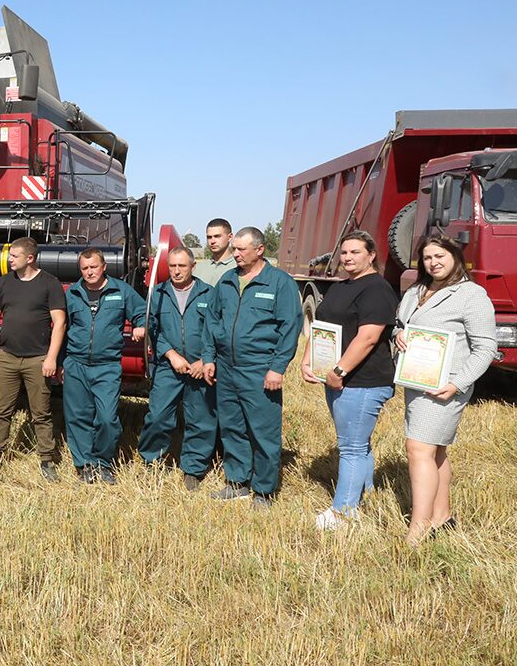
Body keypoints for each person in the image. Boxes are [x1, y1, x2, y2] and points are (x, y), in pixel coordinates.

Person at [395, 235, 497, 545]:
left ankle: (419, 528)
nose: (433, 263)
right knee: (435, 451)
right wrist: (398, 334)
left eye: (440, 256)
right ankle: (442, 517)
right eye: (427, 258)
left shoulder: (471, 295)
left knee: (417, 450)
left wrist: (457, 384)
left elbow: (486, 347)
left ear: (455, 256)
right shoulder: (416, 291)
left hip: (446, 387)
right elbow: (401, 323)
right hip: (417, 381)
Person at [300, 231, 398, 529]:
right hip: (337, 379)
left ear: (371, 255)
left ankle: (343, 512)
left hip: (363, 382)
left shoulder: (377, 289)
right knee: (358, 443)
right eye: (344, 253)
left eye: (355, 252)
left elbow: (368, 338)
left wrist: (339, 371)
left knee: (351, 447)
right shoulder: (340, 286)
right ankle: (365, 495)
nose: (348, 258)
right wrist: (308, 359)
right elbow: (321, 326)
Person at [206, 226, 302, 507]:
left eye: (241, 249)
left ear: (259, 250)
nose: (235, 253)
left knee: (263, 431)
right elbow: (212, 320)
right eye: (234, 249)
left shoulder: (279, 283)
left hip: (259, 369)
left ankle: (263, 490)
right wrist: (209, 357)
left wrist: (277, 368)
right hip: (226, 368)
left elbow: (290, 328)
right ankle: (237, 482)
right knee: (232, 427)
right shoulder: (226, 280)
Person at [0, 237, 68, 481]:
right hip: (8, 357)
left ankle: (47, 460)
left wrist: (51, 358)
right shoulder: (4, 282)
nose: (9, 259)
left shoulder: (50, 283)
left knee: (41, 413)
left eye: (14, 256)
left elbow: (60, 322)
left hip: (38, 359)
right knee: (2, 411)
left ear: (30, 258)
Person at [63, 248, 145, 484]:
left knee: (107, 419)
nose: (89, 272)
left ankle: (104, 463)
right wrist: (59, 362)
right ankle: (84, 465)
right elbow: (61, 328)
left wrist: (140, 324)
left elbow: (142, 312)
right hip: (76, 364)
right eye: (85, 268)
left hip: (107, 366)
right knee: (78, 417)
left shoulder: (121, 291)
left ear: (104, 266)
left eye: (94, 267)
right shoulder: (72, 293)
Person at [139, 246, 218, 490]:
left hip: (200, 368)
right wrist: (171, 355)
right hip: (168, 367)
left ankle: (193, 469)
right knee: (158, 417)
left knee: (201, 420)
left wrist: (204, 359)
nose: (176, 271)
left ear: (193, 266)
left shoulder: (209, 294)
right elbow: (152, 328)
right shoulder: (157, 294)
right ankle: (152, 463)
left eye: (182, 266)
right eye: (172, 266)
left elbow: (216, 330)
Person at [193, 218, 237, 287]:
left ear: (230, 237)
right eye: (209, 237)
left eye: (217, 236)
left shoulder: (238, 267)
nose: (212, 241)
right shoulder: (197, 269)